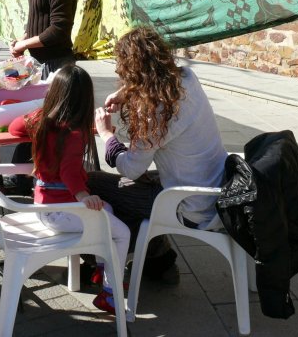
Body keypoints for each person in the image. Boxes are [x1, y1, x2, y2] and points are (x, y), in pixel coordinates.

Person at [91, 27, 229, 279]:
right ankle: (158, 261)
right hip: (216, 186)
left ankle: (117, 257)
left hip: (191, 206)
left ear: (133, 71)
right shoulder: (187, 78)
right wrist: (126, 93)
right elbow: (154, 86)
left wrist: (107, 135)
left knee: (96, 182)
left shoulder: (155, 112)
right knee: (135, 185)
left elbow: (132, 167)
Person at [9, 65, 130, 314]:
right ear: (85, 100)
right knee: (121, 233)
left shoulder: (39, 120)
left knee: (107, 210)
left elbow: (14, 128)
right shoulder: (74, 134)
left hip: (43, 206)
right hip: (64, 210)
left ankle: (101, 271)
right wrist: (84, 196)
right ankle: (110, 292)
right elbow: (70, 171)